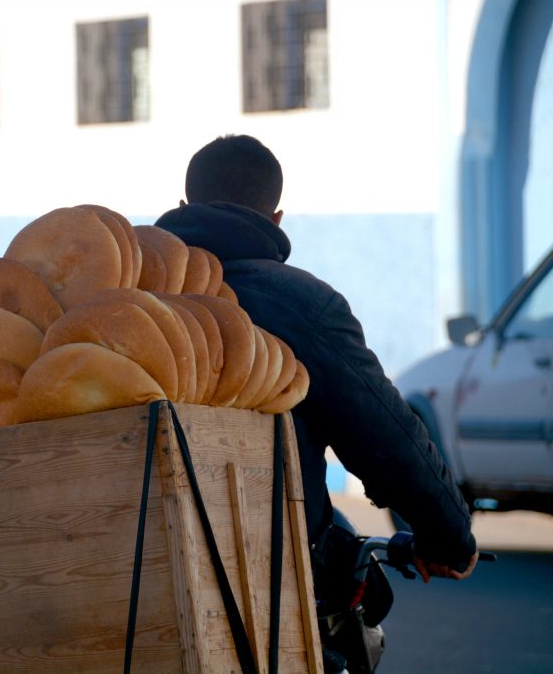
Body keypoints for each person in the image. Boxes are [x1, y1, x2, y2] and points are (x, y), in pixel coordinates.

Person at [154, 134, 479, 585]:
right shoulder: (305, 304)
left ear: (184, 204)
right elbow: (383, 432)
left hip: (144, 553)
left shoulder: (137, 298)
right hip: (271, 570)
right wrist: (449, 536)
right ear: (276, 218)